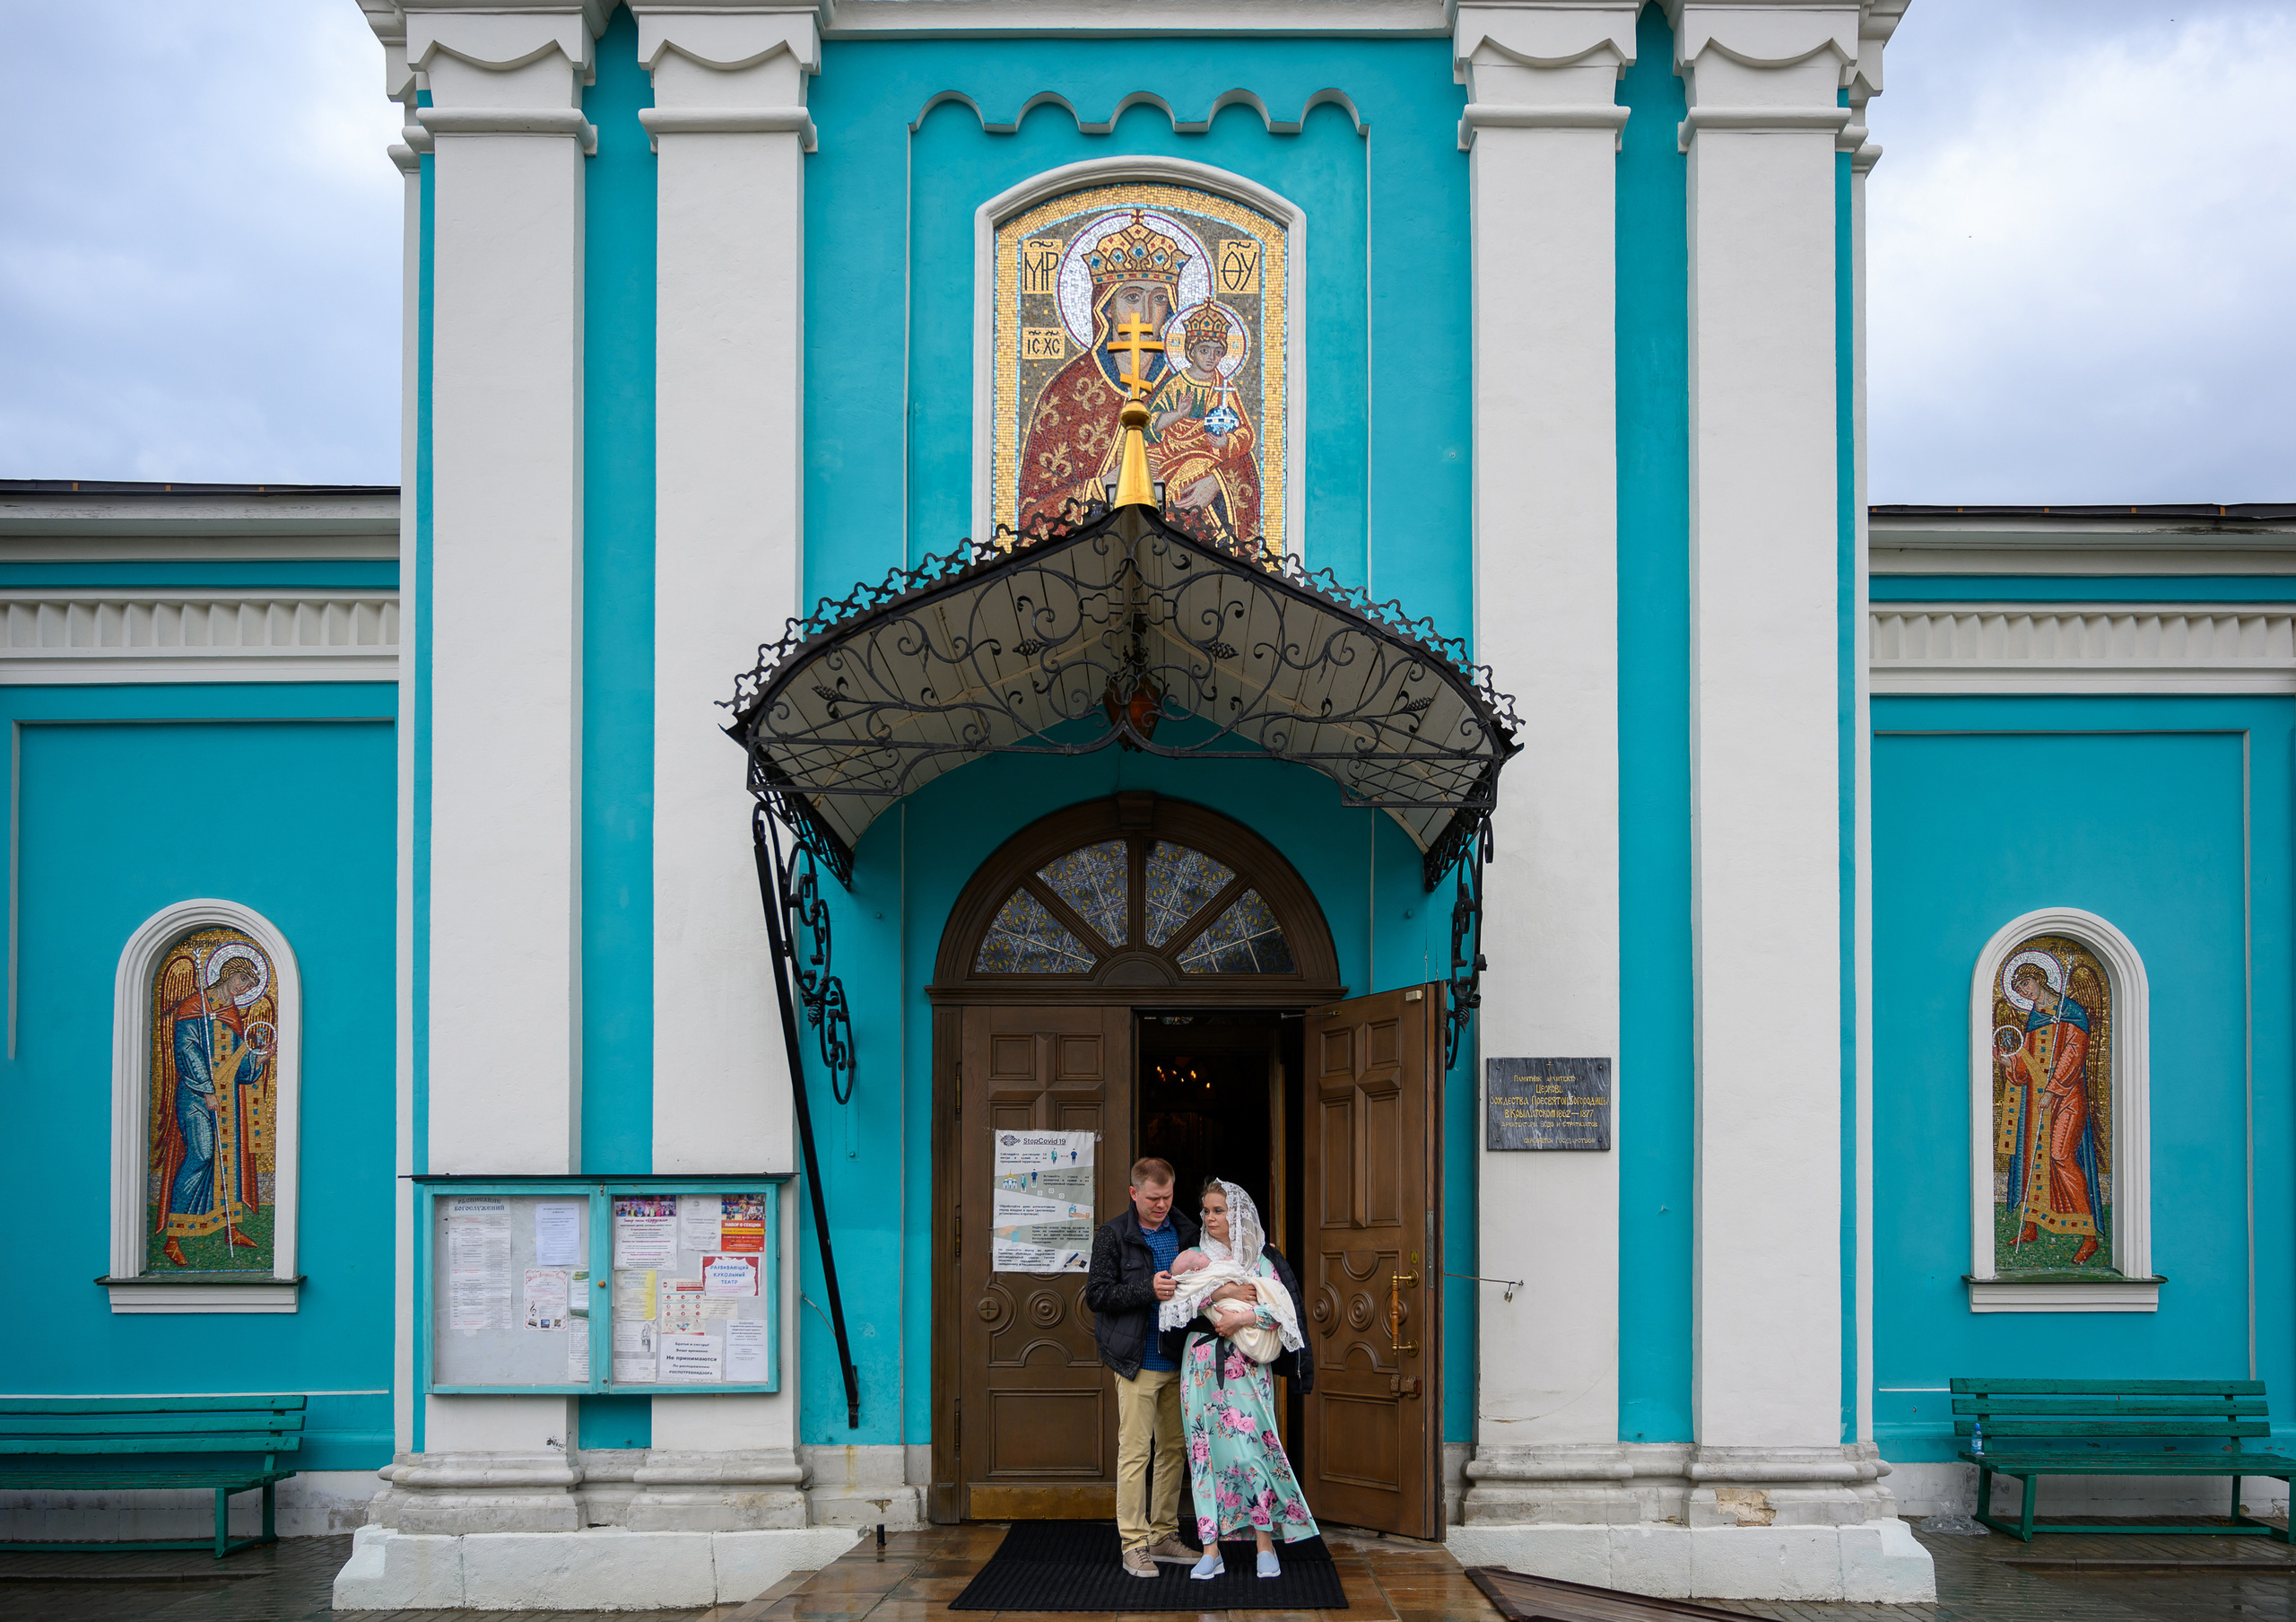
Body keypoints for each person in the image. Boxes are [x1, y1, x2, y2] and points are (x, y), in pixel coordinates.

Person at [1083, 1156, 1254, 1577]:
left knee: (1174, 1451)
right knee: (1136, 1452)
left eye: (1168, 1196)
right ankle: (1133, 1543)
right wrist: (1148, 1289)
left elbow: (1211, 1276)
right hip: (1136, 1360)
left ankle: (1162, 1534)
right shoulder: (1113, 1235)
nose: (1161, 1204)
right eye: (1153, 1198)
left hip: (1181, 1359)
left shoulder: (1185, 1229)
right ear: (1133, 1193)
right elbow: (1097, 1295)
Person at [1175, 1178, 1318, 1580]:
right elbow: (1176, 1300)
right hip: (1201, 1367)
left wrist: (1242, 1315)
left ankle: (1264, 1543)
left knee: (1252, 1452)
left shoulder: (1262, 1260)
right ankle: (1210, 1549)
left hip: (1249, 1370)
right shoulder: (1194, 1256)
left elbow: (1286, 1315)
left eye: (1218, 1210)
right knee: (1202, 1455)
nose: (1210, 1217)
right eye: (1205, 1210)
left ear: (1237, 1214)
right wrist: (1221, 1294)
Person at [1998, 959, 2105, 1266]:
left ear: (2041, 980)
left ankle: (2088, 1236)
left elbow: (2074, 1054)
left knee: (2060, 1155)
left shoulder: (2071, 1013)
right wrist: (2012, 1064)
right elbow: (2027, 1061)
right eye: (2019, 989)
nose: (2025, 992)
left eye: (2027, 985)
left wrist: (2054, 1088)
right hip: (2036, 1099)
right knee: (2032, 1156)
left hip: (2066, 1098)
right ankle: (2031, 1225)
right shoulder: (2035, 1018)